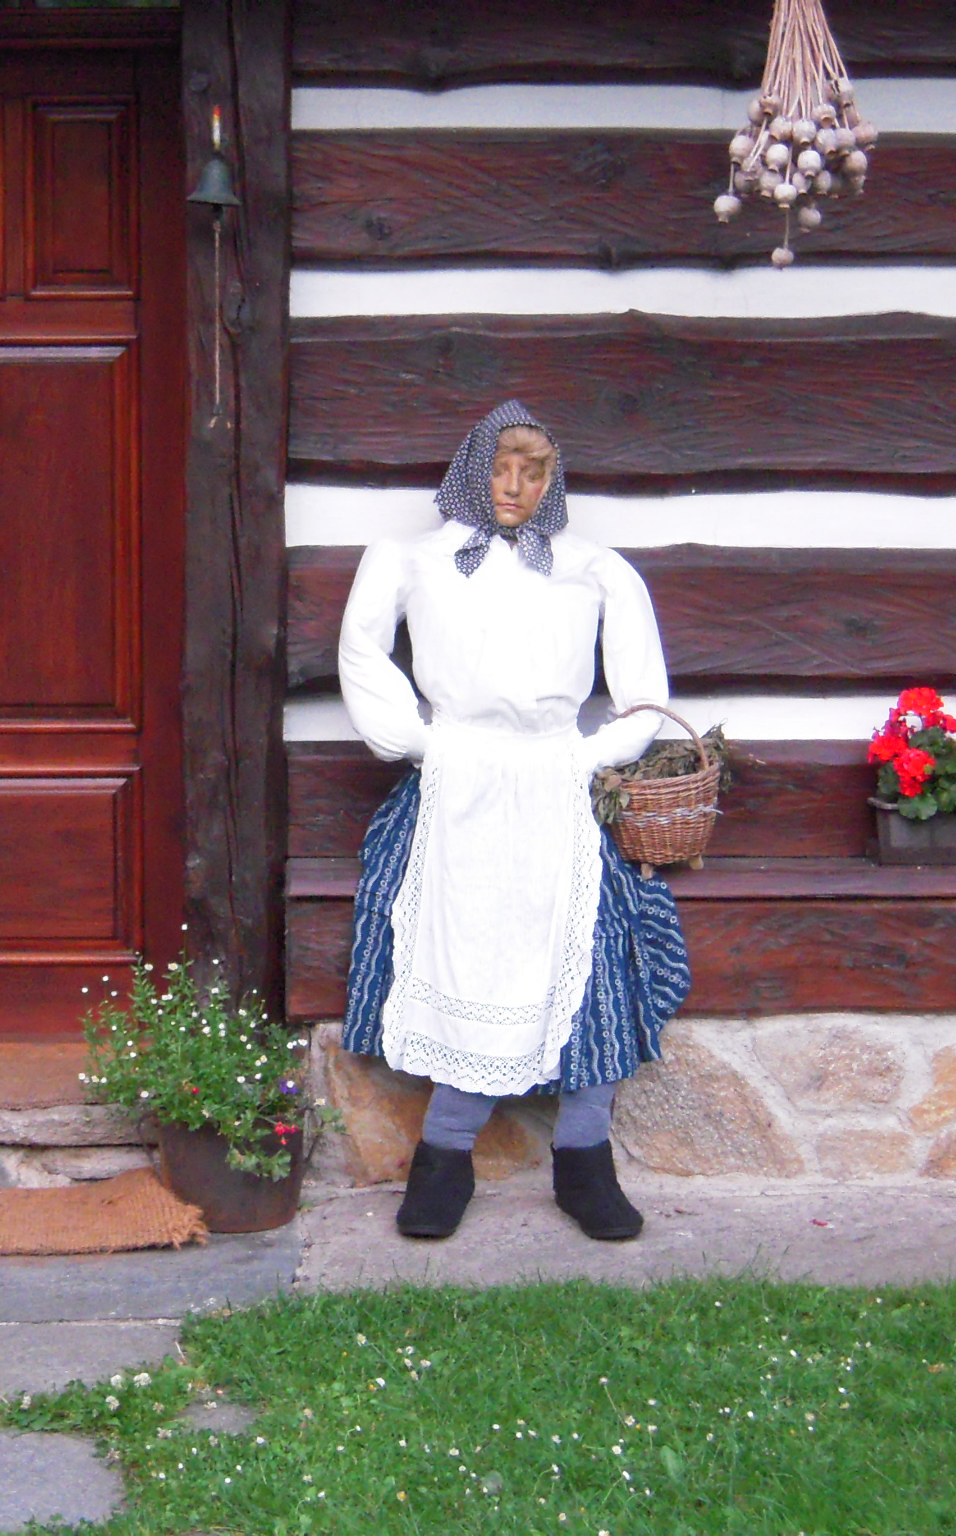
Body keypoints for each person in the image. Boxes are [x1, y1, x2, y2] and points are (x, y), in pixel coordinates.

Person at [337, 400, 691, 1242]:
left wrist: (593, 756)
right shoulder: (410, 559)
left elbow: (644, 691)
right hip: (455, 779)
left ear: (551, 482)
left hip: (558, 782)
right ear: (472, 469)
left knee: (592, 966)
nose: (515, 488)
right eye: (500, 469)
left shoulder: (594, 568)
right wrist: (419, 742)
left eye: (533, 474)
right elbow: (361, 650)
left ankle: (584, 1162)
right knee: (459, 953)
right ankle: (443, 1159)